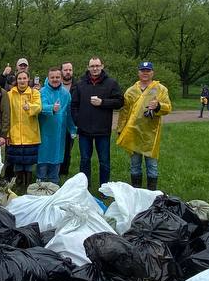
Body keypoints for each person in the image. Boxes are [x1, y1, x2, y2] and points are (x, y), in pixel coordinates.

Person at [69, 56, 124, 192]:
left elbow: (120, 102)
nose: (95, 68)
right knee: (85, 160)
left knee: (104, 161)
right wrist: (78, 121)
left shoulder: (111, 83)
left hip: (103, 130)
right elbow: (74, 105)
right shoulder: (81, 84)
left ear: (102, 66)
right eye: (92, 66)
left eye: (97, 66)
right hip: (84, 130)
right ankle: (84, 188)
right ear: (88, 68)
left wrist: (103, 102)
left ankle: (104, 189)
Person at [117, 61, 172, 190]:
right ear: (138, 72)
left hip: (150, 134)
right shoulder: (130, 91)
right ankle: (136, 191)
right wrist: (120, 128)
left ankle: (151, 193)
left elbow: (168, 108)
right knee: (135, 164)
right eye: (142, 70)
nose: (145, 73)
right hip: (133, 133)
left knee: (152, 165)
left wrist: (158, 106)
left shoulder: (161, 89)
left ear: (152, 72)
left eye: (148, 71)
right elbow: (124, 112)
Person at [5, 69, 42, 191]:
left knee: (29, 163)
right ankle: (19, 184)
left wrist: (29, 107)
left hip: (30, 134)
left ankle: (28, 184)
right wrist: (7, 133)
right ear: (16, 80)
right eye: (19, 78)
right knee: (17, 162)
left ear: (28, 79)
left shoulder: (34, 93)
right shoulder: (10, 94)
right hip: (14, 133)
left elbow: (38, 107)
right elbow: (6, 114)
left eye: (24, 78)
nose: (22, 81)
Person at [37, 65, 72, 183]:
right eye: (52, 77)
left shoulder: (66, 94)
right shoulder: (42, 92)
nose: (55, 79)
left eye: (57, 77)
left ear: (61, 78)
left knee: (56, 157)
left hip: (59, 133)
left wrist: (72, 129)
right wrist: (52, 108)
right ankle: (40, 183)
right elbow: (41, 107)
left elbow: (69, 113)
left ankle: (54, 183)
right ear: (48, 78)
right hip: (44, 132)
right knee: (43, 158)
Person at [59, 61, 76, 177]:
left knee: (67, 148)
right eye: (65, 70)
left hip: (70, 123)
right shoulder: (54, 84)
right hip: (56, 122)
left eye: (70, 70)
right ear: (61, 71)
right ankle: (54, 170)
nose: (68, 72)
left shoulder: (78, 86)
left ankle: (64, 172)